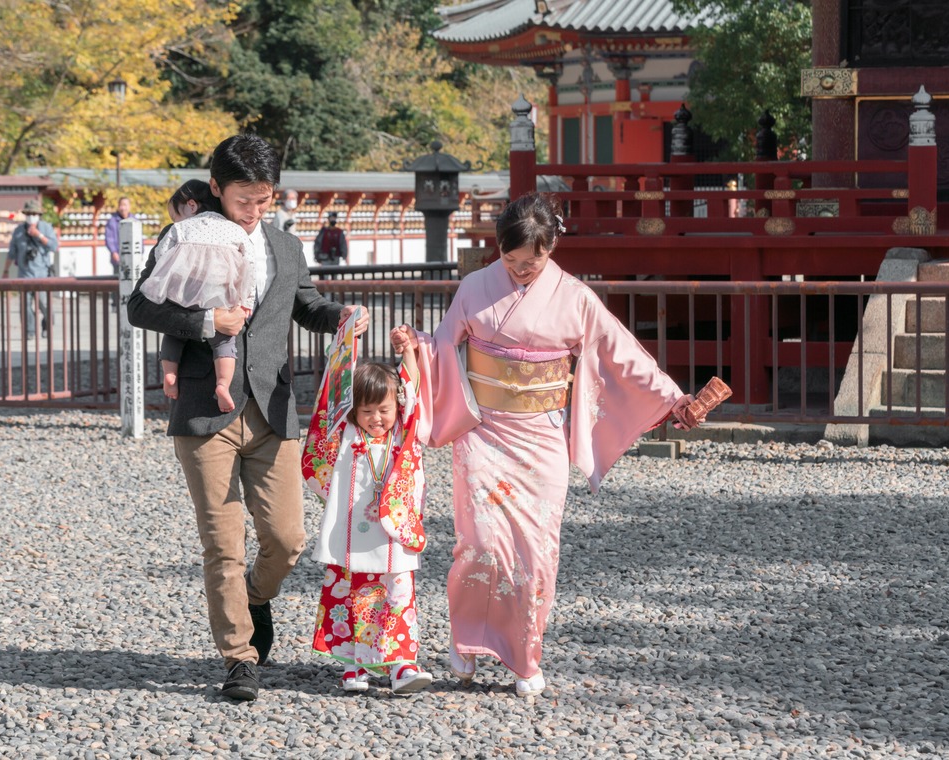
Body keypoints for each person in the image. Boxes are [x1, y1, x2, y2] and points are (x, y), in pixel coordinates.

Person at [389, 192, 700, 698]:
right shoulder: (474, 286)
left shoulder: (575, 296)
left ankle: (526, 655)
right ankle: (466, 643)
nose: (520, 270)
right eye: (511, 261)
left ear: (552, 246)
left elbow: (622, 351)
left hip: (542, 435)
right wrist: (414, 346)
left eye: (532, 261)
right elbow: (443, 346)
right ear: (499, 250)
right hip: (484, 432)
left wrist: (672, 397)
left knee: (537, 553)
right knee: (482, 544)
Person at [126, 134, 369, 703]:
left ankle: (256, 598)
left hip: (273, 405)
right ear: (215, 188)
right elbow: (141, 306)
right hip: (203, 408)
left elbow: (305, 304)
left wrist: (342, 315)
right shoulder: (185, 233)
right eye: (243, 200)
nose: (254, 211)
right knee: (222, 543)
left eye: (264, 200)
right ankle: (239, 657)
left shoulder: (285, 246)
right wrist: (208, 322)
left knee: (287, 539)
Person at [301, 356, 433, 696]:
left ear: (397, 408)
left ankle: (402, 663)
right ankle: (353, 662)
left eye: (384, 410)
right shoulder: (345, 436)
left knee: (397, 594)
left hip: (391, 533)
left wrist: (407, 354)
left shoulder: (403, 435)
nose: (376, 419)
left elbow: (413, 392)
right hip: (353, 534)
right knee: (354, 595)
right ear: (353, 411)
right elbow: (328, 412)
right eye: (367, 411)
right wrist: (345, 347)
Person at [140, 179, 255, 412]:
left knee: (174, 331)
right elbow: (249, 266)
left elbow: (163, 255)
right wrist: (246, 302)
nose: (176, 221)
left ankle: (170, 374)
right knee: (224, 342)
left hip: (185, 294)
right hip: (221, 296)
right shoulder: (235, 230)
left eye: (176, 215)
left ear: (191, 205)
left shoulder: (180, 229)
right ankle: (223, 384)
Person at [2, 198, 58, 337]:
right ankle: (29, 331)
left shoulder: (46, 227)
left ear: (39, 215)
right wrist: (5, 270)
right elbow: (12, 252)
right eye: (28, 213)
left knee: (44, 304)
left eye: (34, 213)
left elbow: (54, 246)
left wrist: (38, 235)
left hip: (42, 274)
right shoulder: (19, 231)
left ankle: (47, 326)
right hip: (24, 274)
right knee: (24, 306)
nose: (31, 216)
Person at [104, 196, 132, 276]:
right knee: (118, 282)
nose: (123, 208)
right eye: (121, 205)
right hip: (118, 258)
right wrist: (114, 252)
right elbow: (109, 238)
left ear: (129, 206)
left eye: (125, 205)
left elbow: (139, 239)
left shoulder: (134, 220)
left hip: (132, 259)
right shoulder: (112, 221)